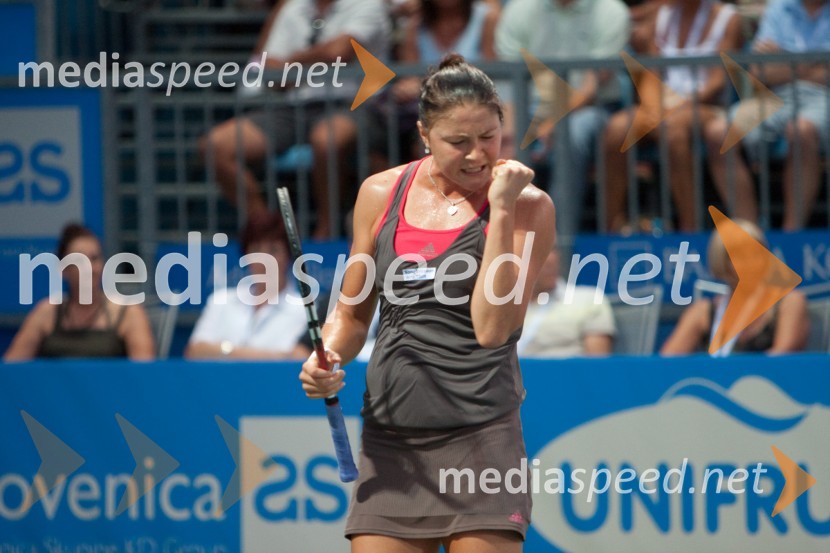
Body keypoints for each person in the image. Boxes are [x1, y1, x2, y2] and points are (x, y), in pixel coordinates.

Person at [299, 54, 555, 552]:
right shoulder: (380, 193)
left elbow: (493, 328)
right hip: (391, 439)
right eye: (458, 142)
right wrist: (324, 355)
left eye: (488, 136)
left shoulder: (528, 206)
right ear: (424, 134)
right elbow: (352, 314)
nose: (477, 155)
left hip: (482, 438)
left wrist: (500, 210)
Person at [200, 0, 391, 238]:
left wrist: (292, 64)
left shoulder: (368, 4)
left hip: (355, 105)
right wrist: (311, 61)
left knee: (326, 138)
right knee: (216, 146)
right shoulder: (293, 8)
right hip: (292, 106)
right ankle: (270, 231)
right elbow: (269, 70)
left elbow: (339, 52)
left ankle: (326, 233)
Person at [604, 0, 745, 233]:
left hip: (706, 105)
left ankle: (690, 228)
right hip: (662, 106)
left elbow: (718, 82)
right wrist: (658, 105)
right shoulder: (660, 16)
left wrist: (678, 106)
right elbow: (652, 74)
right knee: (617, 128)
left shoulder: (729, 18)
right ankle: (611, 228)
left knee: (673, 129)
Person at [496, 0, 630, 242]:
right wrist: (509, 128)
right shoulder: (518, 9)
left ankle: (556, 242)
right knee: (497, 136)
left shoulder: (611, 10)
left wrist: (554, 122)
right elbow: (509, 82)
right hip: (526, 105)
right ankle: (502, 238)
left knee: (572, 134)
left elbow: (596, 82)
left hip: (591, 106)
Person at [704, 0, 830, 230]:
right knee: (718, 133)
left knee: (802, 130)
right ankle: (751, 236)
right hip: (772, 96)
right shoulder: (778, 8)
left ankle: (791, 236)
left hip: (823, 97)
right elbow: (759, 71)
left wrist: (785, 61)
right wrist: (816, 65)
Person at [3, 223, 155, 361]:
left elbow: (145, 376)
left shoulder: (129, 313)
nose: (89, 268)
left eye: (94, 259)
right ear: (63, 269)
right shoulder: (46, 312)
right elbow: (10, 369)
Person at [660, 219, 808, 355]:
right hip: (714, 382)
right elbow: (668, 359)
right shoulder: (703, 311)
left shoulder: (790, 302)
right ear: (722, 261)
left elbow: (784, 356)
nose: (752, 261)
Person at [184, 211, 311, 360]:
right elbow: (194, 351)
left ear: (289, 256)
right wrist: (272, 356)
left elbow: (300, 358)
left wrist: (222, 350)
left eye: (273, 250)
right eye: (256, 249)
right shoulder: (221, 299)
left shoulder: (305, 310)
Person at [518, 248, 616, 357]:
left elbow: (597, 367)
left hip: (566, 373)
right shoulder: (500, 308)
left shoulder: (589, 300)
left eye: (553, 249)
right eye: (535, 251)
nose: (550, 259)